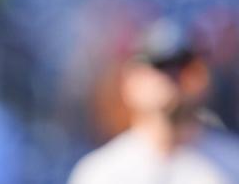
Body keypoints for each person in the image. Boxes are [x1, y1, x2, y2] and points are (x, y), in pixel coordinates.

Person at [68, 19, 239, 184]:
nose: (172, 78)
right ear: (130, 81)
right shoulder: (101, 174)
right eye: (159, 66)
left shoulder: (232, 164)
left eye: (182, 66)